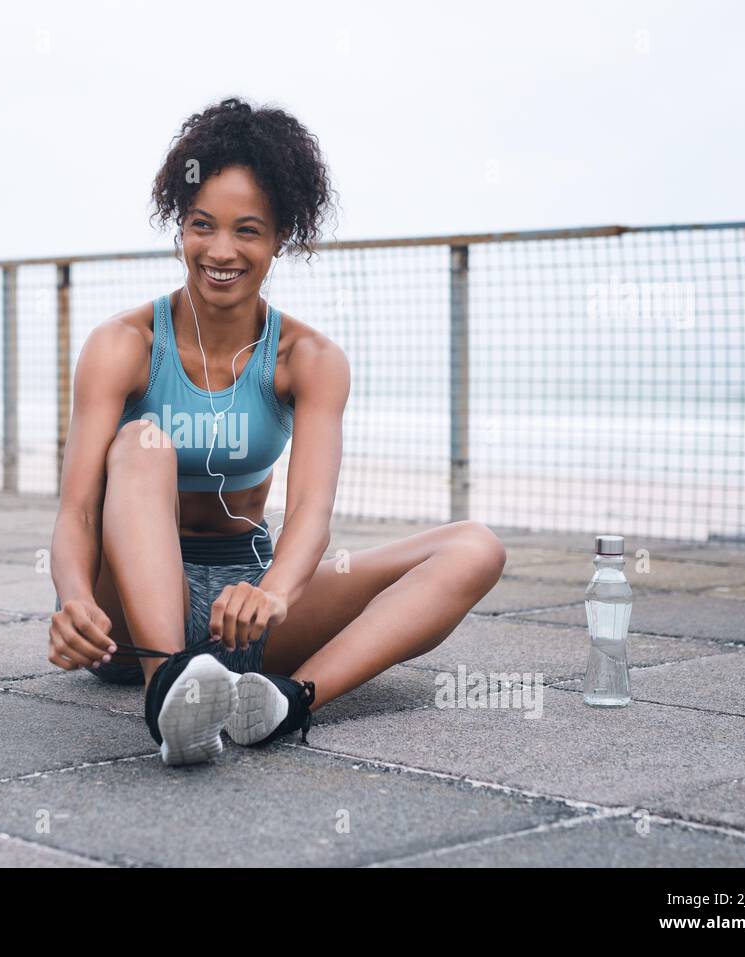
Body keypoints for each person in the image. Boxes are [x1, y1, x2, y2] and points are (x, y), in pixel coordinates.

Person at [48, 96, 506, 766]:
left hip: (246, 601)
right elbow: (78, 509)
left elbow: (313, 512)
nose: (221, 250)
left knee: (476, 546)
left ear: (281, 239)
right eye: (202, 225)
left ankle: (289, 702)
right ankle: (169, 692)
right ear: (180, 226)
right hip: (130, 621)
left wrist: (273, 593)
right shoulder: (123, 343)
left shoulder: (310, 359)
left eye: (249, 231)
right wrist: (74, 599)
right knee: (142, 443)